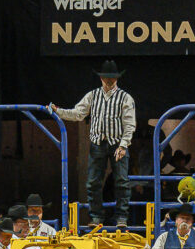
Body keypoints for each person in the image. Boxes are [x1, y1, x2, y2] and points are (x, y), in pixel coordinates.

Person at [51, 60, 136, 227]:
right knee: (93, 182)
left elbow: (129, 123)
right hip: (98, 143)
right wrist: (58, 111)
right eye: (107, 77)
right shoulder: (93, 95)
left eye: (112, 78)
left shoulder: (125, 98)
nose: (109, 81)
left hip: (117, 142)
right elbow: (78, 113)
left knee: (121, 181)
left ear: (117, 78)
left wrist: (124, 145)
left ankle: (121, 217)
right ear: (101, 78)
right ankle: (96, 216)